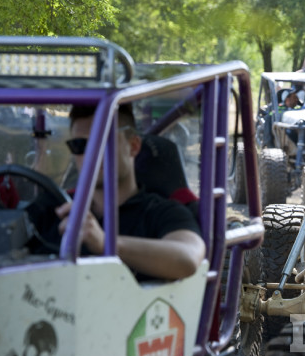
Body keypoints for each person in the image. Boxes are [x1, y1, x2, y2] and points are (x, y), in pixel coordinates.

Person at [54, 104, 203, 282]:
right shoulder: (55, 208)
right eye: (79, 145)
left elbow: (187, 258)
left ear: (133, 146)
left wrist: (105, 243)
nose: (90, 154)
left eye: (102, 142)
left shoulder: (161, 212)